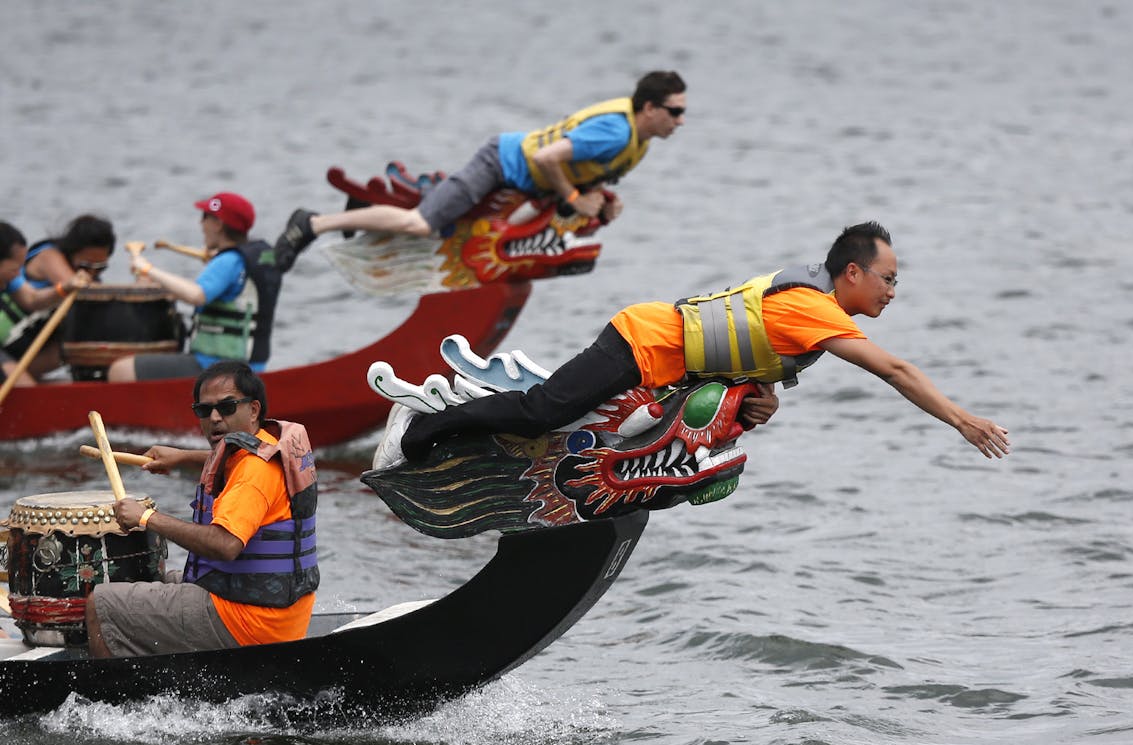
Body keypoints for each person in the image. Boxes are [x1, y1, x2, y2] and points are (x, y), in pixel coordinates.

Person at [394, 221, 1011, 466]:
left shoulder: (810, 313)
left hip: (660, 364)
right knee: (546, 410)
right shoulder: (811, 307)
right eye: (889, 279)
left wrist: (764, 397)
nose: (893, 292)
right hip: (641, 342)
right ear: (853, 272)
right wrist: (959, 418)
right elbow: (896, 370)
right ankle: (425, 432)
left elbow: (751, 352)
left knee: (569, 424)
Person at [272, 70, 688, 272]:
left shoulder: (640, 142)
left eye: (683, 112)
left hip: (523, 183)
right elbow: (548, 160)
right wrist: (576, 199)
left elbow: (589, 175)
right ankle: (313, 222)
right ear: (649, 108)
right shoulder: (617, 132)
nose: (680, 120)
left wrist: (605, 203)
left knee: (439, 221)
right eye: (674, 111)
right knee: (421, 225)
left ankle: (367, 209)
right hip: (500, 164)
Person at [86, 360, 319, 658]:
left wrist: (146, 518)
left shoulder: (253, 476)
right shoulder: (270, 446)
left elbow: (225, 545)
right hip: (282, 614)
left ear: (254, 410)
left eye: (227, 407)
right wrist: (181, 457)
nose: (215, 418)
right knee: (154, 580)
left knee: (101, 604)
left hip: (249, 623)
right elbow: (233, 459)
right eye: (203, 411)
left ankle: (115, 701)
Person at [109, 192, 282, 382]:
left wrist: (146, 268)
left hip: (216, 366)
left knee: (120, 370)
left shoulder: (228, 260)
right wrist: (160, 283)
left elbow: (196, 295)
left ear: (218, 224)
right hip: (250, 366)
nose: (201, 225)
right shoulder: (256, 256)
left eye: (204, 217)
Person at [1, 216, 111, 380]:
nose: (92, 273)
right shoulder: (49, 255)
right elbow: (87, 295)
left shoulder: (11, 278)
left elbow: (32, 300)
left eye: (100, 268)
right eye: (86, 266)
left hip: (19, 348)